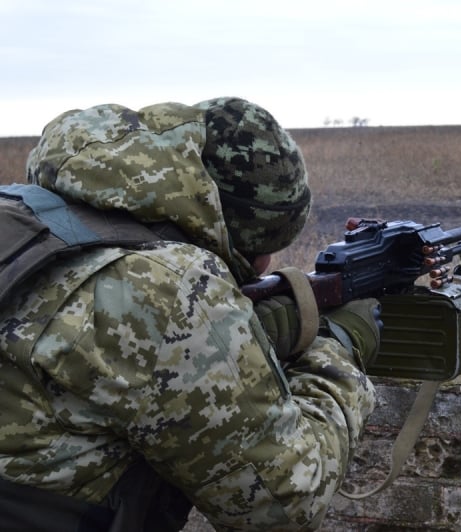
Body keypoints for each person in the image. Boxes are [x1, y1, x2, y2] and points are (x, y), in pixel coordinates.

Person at [0, 97, 379, 530]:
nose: (266, 267)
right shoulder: (169, 288)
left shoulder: (19, 218)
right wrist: (338, 350)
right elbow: (285, 506)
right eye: (262, 254)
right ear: (236, 237)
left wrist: (246, 335)